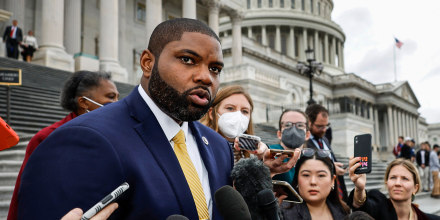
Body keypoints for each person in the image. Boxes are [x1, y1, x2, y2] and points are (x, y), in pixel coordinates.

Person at [17, 18, 232, 219]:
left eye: (215, 69)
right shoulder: (85, 140)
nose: (205, 77)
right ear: (147, 63)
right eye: (187, 60)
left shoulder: (220, 147)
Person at [8, 71, 119, 220]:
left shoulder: (114, 135)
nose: (118, 103)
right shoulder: (47, 137)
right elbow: (28, 195)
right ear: (84, 102)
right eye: (111, 97)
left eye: (118, 97)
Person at [348, 158, 440, 220]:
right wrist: (360, 189)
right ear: (386, 183)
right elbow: (364, 206)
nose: (397, 183)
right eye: (393, 177)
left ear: (415, 188)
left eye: (405, 178)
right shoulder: (378, 206)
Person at [280, 148, 350, 219]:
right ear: (297, 179)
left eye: (321, 175)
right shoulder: (281, 213)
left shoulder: (343, 211)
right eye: (306, 175)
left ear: (332, 181)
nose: (313, 182)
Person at [200, 85, 256, 162]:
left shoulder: (254, 156)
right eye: (230, 108)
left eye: (244, 111)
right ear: (211, 113)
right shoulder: (198, 147)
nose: (238, 115)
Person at [305, 103, 348, 202]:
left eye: (326, 126)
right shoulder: (303, 143)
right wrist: (331, 168)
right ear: (309, 122)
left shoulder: (325, 140)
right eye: (320, 126)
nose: (324, 130)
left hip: (338, 195)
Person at [269, 109, 310, 185]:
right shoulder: (271, 153)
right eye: (287, 125)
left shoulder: (311, 159)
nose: (293, 129)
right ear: (279, 134)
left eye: (300, 125)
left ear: (307, 135)